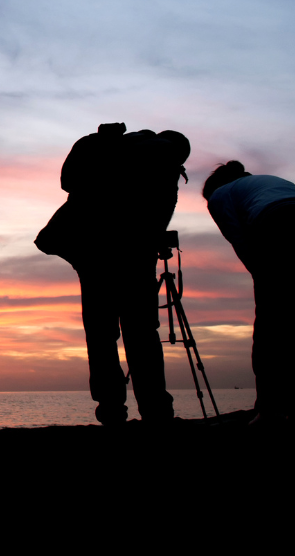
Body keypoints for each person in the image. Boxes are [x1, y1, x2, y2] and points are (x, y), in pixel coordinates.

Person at [35, 123, 191, 425]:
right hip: (132, 255)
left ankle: (111, 410)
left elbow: (69, 182)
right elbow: (158, 215)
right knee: (142, 333)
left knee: (101, 334)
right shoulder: (167, 165)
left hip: (90, 250)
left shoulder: (115, 146)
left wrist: (102, 138)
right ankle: (156, 411)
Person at [202, 161, 295, 424]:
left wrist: (260, 275)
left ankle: (269, 409)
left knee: (271, 326)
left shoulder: (220, 195)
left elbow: (239, 240)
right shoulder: (270, 180)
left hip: (277, 224)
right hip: (283, 215)